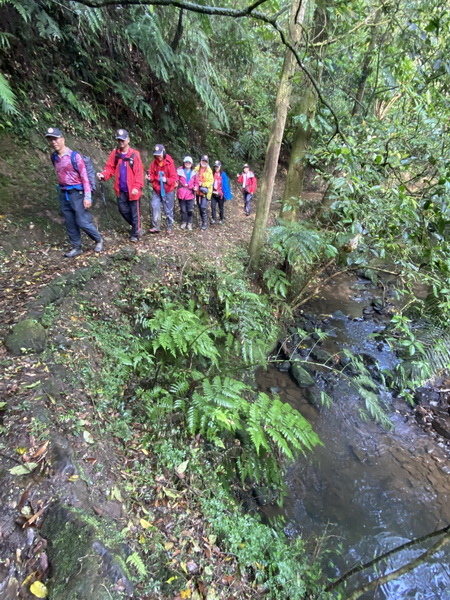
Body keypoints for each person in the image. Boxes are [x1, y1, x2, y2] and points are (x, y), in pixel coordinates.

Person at [45, 127, 103, 258]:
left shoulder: (74, 157)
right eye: (50, 139)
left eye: (55, 139)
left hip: (78, 193)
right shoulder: (54, 157)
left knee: (82, 221)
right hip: (64, 193)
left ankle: (98, 239)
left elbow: (85, 178)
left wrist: (88, 197)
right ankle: (77, 247)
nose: (53, 142)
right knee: (69, 221)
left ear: (62, 139)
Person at [97, 129, 144, 242]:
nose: (121, 142)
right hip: (120, 189)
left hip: (133, 190)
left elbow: (139, 172)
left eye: (123, 139)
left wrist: (136, 187)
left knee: (134, 212)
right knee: (123, 210)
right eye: (119, 140)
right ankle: (136, 227)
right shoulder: (116, 154)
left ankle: (136, 234)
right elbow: (110, 167)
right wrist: (103, 175)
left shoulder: (134, 155)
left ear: (128, 140)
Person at [147, 144, 177, 235]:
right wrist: (149, 178)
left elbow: (174, 178)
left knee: (168, 209)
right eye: (157, 154)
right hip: (157, 189)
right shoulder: (154, 163)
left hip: (168, 190)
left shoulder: (169, 163)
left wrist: (166, 180)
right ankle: (156, 226)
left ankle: (169, 226)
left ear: (163, 152)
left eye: (160, 154)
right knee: (154, 205)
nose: (158, 156)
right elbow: (151, 175)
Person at [176, 156, 198, 231]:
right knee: (183, 209)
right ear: (184, 163)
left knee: (190, 210)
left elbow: (197, 183)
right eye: (186, 162)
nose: (187, 163)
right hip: (181, 193)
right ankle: (184, 222)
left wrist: (196, 187)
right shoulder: (179, 171)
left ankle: (190, 223)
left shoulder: (194, 173)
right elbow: (176, 179)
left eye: (189, 162)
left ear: (191, 164)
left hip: (190, 193)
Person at [193, 155, 214, 230]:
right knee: (199, 207)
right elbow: (193, 177)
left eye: (205, 161)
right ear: (200, 161)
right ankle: (203, 221)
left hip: (204, 192)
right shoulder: (196, 169)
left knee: (203, 207)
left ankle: (204, 223)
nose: (204, 162)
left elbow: (211, 182)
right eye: (203, 161)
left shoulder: (209, 171)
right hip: (197, 191)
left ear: (207, 162)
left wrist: (202, 184)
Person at [211, 160, 232, 224]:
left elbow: (225, 185)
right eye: (215, 167)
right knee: (213, 206)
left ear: (220, 167)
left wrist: (225, 195)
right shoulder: (212, 174)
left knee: (221, 207)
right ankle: (213, 218)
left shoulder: (223, 175)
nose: (216, 168)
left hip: (220, 195)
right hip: (213, 193)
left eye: (217, 167)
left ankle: (221, 218)